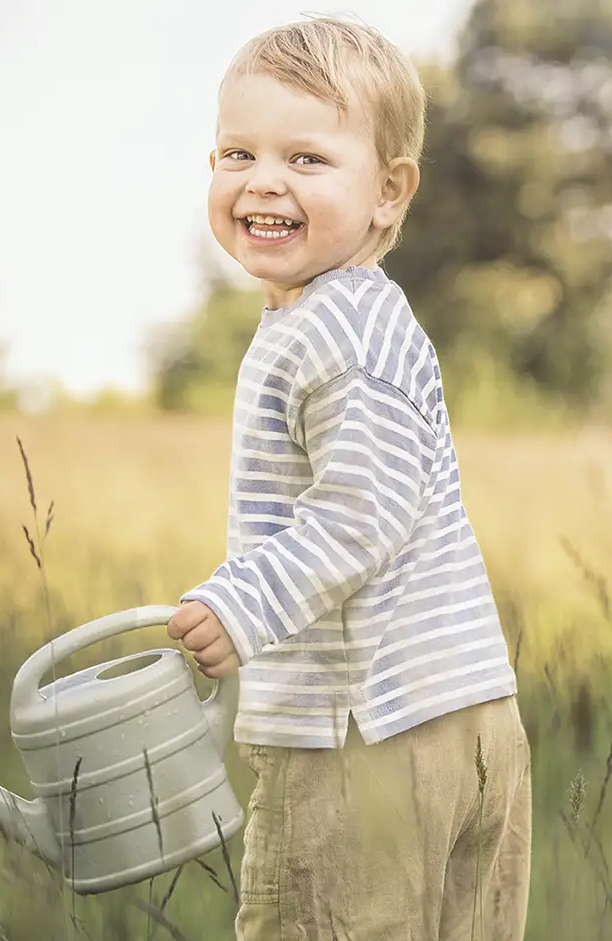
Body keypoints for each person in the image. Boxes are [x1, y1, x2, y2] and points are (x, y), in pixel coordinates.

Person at [163, 15, 530, 940]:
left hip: (363, 733)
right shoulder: (358, 317)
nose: (263, 181)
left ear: (388, 193)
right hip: (466, 713)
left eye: (308, 159)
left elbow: (365, 511)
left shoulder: (335, 327)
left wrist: (244, 606)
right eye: (236, 152)